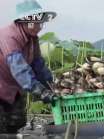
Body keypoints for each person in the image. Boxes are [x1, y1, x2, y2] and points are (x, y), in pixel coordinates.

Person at [0, 0, 57, 134]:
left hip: (13, 89)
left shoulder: (33, 38)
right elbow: (19, 69)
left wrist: (51, 86)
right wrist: (40, 91)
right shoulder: (9, 36)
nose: (39, 27)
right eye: (35, 23)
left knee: (16, 123)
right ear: (23, 21)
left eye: (40, 23)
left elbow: (38, 65)